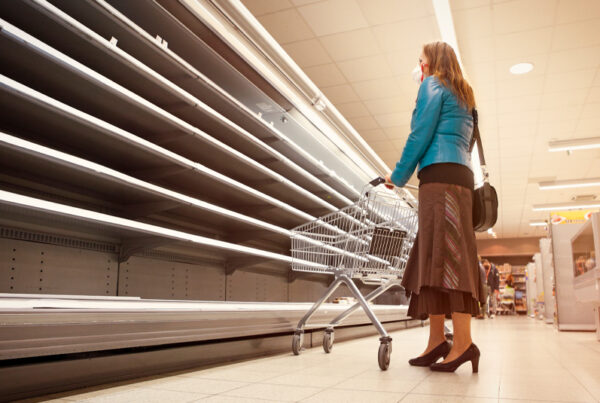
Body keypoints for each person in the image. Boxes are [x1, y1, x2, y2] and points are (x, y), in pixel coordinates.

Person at [385, 41, 481, 373]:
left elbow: (420, 134)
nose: (419, 66)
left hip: (439, 178)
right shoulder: (464, 94)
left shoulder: (433, 84)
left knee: (445, 259)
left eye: (421, 60)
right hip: (460, 176)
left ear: (433, 62)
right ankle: (437, 341)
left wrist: (396, 176)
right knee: (441, 257)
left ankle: (464, 344)